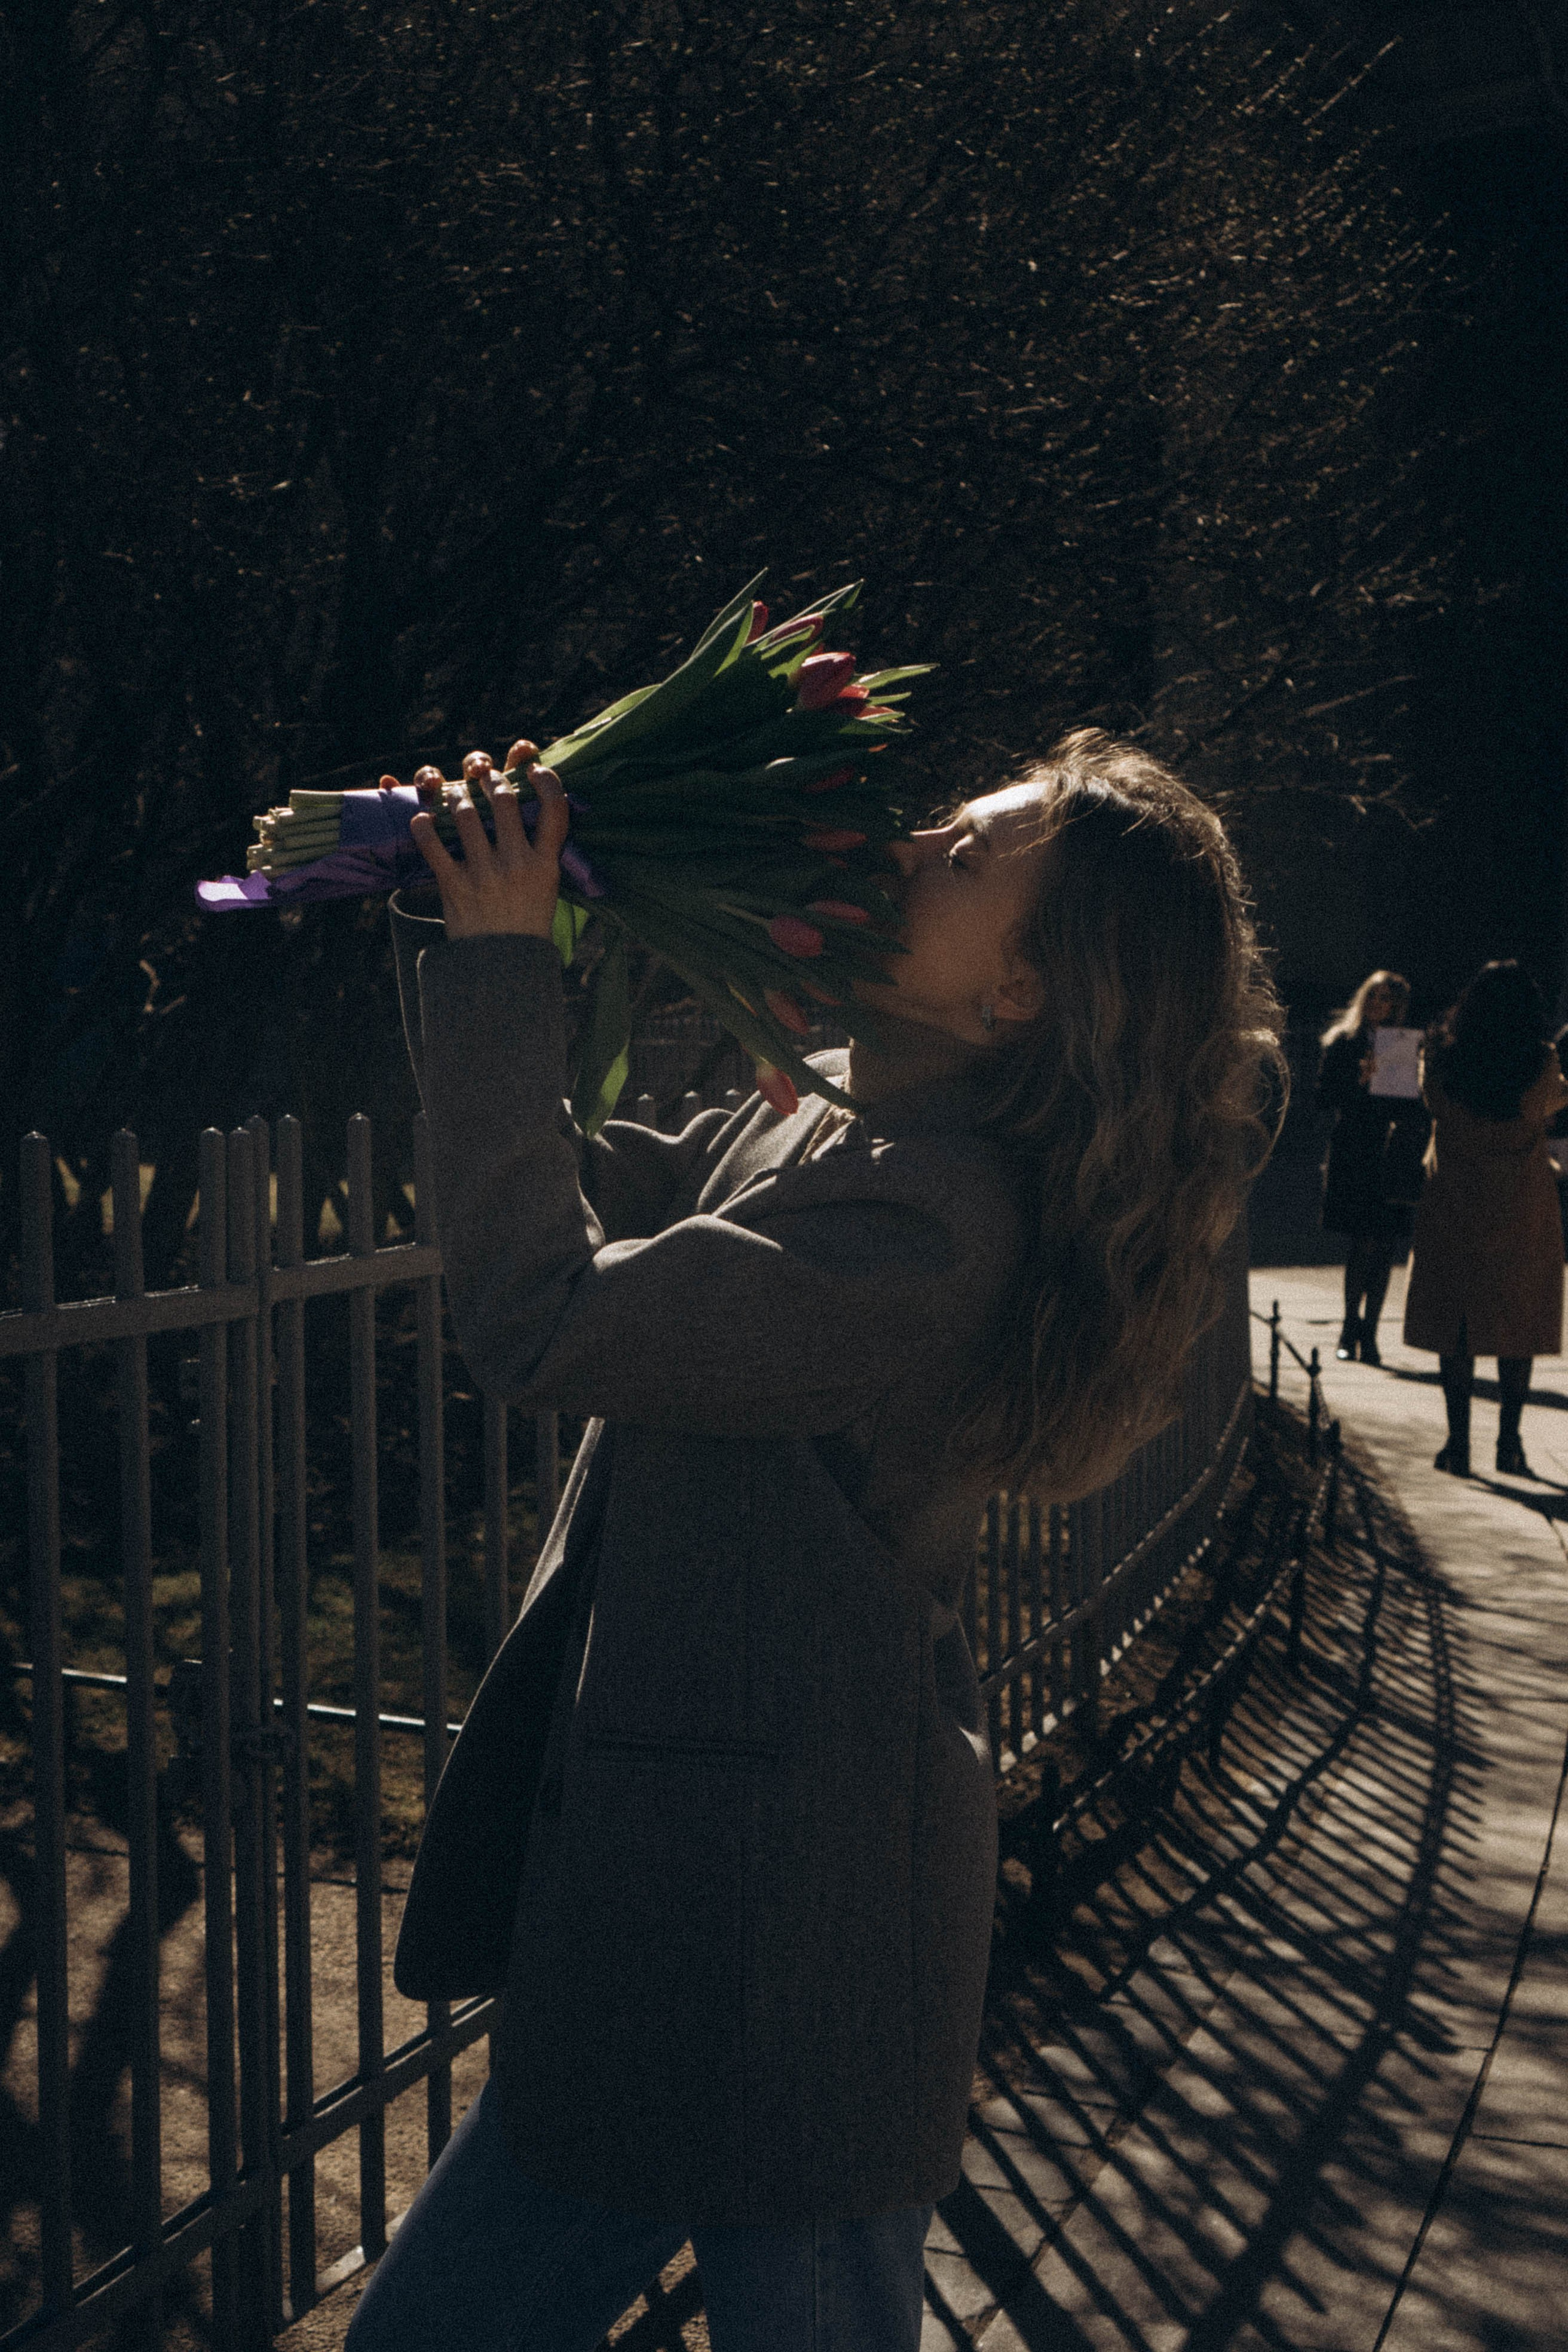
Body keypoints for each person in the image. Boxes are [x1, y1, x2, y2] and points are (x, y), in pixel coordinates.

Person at [345, 726, 1284, 2352]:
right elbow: (554, 1192)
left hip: (797, 1949)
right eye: (949, 823)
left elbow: (548, 1318)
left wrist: (510, 972)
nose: (920, 844)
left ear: (1020, 997)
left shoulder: (932, 1219)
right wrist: (464, 918)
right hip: (671, 1908)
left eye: (971, 855)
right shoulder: (827, 1125)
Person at [1403, 960, 1568, 1478]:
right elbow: (1552, 1102)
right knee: (1517, 1323)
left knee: (1457, 1323)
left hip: (1455, 1202)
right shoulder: (1539, 1063)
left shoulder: (1442, 1059)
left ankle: (1458, 1445)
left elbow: (1431, 1103)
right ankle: (1510, 1444)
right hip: (1522, 1205)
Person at [1317, 969, 1421, 1365]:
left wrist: (1415, 1077)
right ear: (1364, 999)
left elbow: (1412, 1106)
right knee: (1363, 1241)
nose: (1381, 1006)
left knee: (1386, 1246)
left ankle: (1372, 1332)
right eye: (1375, 997)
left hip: (1392, 1152)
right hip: (1357, 1150)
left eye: (1389, 1001)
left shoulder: (1403, 1045)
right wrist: (1360, 1079)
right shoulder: (1345, 1042)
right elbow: (1324, 1098)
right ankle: (1349, 1325)